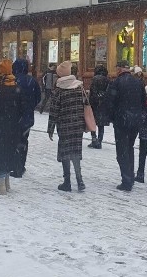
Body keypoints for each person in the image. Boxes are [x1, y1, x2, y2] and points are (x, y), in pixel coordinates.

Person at [0, 59, 26, 195]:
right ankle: (6, 182)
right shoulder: (17, 88)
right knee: (9, 152)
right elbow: (22, 108)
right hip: (14, 127)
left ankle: (1, 184)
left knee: (0, 152)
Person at [105, 59, 147, 191]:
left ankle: (127, 180)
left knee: (122, 150)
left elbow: (109, 102)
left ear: (119, 69)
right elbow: (143, 102)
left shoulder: (116, 83)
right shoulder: (138, 83)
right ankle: (131, 175)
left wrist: (110, 118)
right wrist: (140, 116)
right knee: (129, 147)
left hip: (121, 120)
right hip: (135, 120)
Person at [46, 60, 86, 192]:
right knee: (75, 151)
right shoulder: (79, 87)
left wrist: (50, 129)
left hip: (64, 125)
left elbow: (54, 111)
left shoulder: (59, 90)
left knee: (65, 153)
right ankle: (80, 180)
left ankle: (67, 181)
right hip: (78, 124)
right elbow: (86, 104)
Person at [12, 58, 40, 178]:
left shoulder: (13, 81)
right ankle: (21, 166)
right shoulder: (32, 81)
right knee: (23, 141)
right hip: (27, 117)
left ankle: (14, 166)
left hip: (14, 116)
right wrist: (30, 107)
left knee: (13, 141)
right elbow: (38, 98)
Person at [88, 65, 111, 149]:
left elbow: (92, 91)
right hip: (103, 104)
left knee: (92, 122)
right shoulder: (107, 80)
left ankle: (94, 139)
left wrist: (91, 102)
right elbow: (109, 92)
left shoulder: (95, 79)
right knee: (101, 125)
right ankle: (99, 141)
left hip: (95, 104)